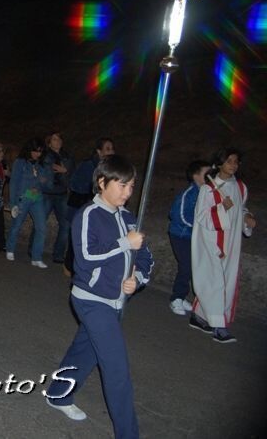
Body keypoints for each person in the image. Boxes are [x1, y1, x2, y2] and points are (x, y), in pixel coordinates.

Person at [45, 155, 155, 439]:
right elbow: (86, 258)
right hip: (91, 300)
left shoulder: (129, 217)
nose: (128, 193)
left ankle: (58, 394)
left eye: (131, 186)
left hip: (117, 301)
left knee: (86, 351)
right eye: (122, 185)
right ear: (102, 182)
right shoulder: (88, 215)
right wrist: (123, 244)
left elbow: (146, 258)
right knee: (117, 368)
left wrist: (138, 279)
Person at [190, 148, 256, 343]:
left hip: (232, 242)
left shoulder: (241, 187)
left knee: (226, 281)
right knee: (215, 282)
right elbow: (202, 216)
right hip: (211, 242)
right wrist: (220, 208)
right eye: (229, 161)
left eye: (236, 161)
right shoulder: (208, 189)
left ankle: (199, 316)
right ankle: (219, 326)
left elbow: (240, 209)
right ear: (219, 164)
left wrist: (247, 218)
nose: (233, 165)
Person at [64, 137, 115, 275]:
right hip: (80, 206)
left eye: (112, 149)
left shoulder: (111, 169)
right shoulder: (88, 165)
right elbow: (74, 183)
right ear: (99, 151)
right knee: (77, 237)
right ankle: (69, 266)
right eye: (107, 149)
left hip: (98, 208)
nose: (111, 152)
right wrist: (91, 190)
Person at [167, 159, 211, 316]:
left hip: (193, 236)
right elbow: (178, 215)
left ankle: (181, 296)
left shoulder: (207, 192)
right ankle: (176, 298)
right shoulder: (189, 194)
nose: (210, 176)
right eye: (206, 173)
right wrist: (199, 225)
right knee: (186, 265)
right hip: (180, 234)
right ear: (195, 176)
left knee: (192, 267)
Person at [5, 138, 50, 268]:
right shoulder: (20, 163)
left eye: (40, 152)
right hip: (23, 197)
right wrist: (13, 202)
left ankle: (37, 257)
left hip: (37, 198)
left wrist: (43, 181)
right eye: (35, 151)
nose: (37, 154)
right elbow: (13, 182)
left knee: (41, 227)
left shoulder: (41, 164)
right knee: (17, 225)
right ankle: (10, 249)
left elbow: (45, 182)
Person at [40, 131, 74, 263]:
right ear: (49, 142)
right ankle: (33, 249)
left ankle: (58, 254)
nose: (57, 141)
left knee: (65, 224)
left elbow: (72, 173)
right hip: (47, 193)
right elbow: (45, 171)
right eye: (54, 139)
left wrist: (65, 171)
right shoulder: (45, 155)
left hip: (62, 193)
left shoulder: (67, 156)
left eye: (59, 139)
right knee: (41, 222)